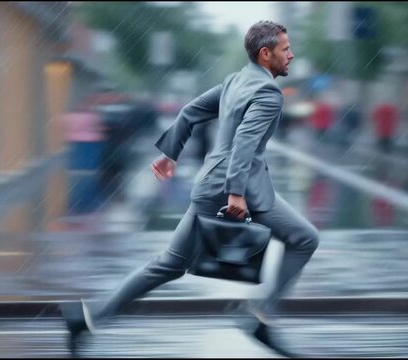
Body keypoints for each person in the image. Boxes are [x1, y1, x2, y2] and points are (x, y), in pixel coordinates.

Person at [60, 20, 318, 358]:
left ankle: (88, 317)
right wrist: (237, 192)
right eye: (285, 49)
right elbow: (244, 143)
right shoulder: (268, 93)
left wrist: (170, 153)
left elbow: (189, 111)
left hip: (210, 184)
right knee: (304, 238)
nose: (291, 55)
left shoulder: (234, 81)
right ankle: (259, 315)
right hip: (240, 186)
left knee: (168, 264)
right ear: (265, 53)